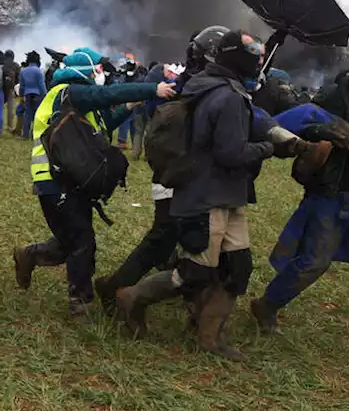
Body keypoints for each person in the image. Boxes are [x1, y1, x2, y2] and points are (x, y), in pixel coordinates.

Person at [115, 31, 278, 359]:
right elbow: (231, 154)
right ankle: (133, 296)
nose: (259, 60)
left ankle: (210, 337)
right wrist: (268, 147)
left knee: (238, 267)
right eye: (254, 54)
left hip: (225, 193)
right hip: (209, 193)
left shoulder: (208, 85)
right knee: (197, 270)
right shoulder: (229, 97)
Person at [247, 46, 349, 359]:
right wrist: (337, 136)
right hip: (331, 192)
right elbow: (305, 123)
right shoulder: (335, 96)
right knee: (314, 261)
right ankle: (266, 305)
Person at [13, 48, 175, 317]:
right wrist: (150, 89)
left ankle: (30, 255)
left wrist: (130, 106)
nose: (102, 74)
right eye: (98, 69)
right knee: (82, 240)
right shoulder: (69, 92)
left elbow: (106, 120)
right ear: (84, 72)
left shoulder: (82, 102)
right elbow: (106, 96)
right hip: (55, 179)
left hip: (72, 178)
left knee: (71, 239)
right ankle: (81, 302)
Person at [20, 50, 47, 139]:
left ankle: (25, 134)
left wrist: (21, 95)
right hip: (37, 95)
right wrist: (45, 95)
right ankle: (34, 134)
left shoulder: (23, 71)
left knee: (27, 115)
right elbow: (41, 85)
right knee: (37, 115)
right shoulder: (39, 71)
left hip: (27, 94)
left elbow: (22, 85)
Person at [2, 50, 21, 135]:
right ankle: (9, 126)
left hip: (1, 88)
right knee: (10, 109)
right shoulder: (16, 65)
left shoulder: (2, 65)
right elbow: (18, 78)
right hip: (10, 89)